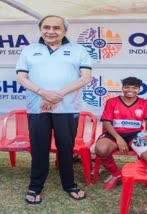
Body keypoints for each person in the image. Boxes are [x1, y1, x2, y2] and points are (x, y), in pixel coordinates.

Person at [16, 15, 92, 204]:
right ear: (40, 29)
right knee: (39, 148)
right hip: (37, 108)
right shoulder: (29, 50)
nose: (51, 31)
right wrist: (43, 92)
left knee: (66, 148)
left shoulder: (78, 50)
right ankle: (35, 187)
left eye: (56, 28)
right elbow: (22, 78)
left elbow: (86, 78)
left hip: (67, 108)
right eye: (46, 27)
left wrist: (57, 95)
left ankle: (70, 184)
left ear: (65, 31)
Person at [95, 77, 147, 190]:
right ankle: (116, 174)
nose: (130, 90)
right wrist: (118, 138)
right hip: (113, 133)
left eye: (134, 88)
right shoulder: (112, 102)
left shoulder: (144, 103)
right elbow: (107, 123)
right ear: (122, 88)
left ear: (139, 89)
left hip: (136, 134)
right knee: (101, 150)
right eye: (126, 87)